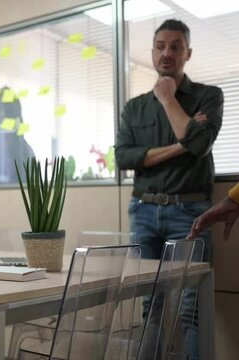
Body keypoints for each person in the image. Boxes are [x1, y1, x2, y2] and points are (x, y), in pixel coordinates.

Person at [115, 19, 223, 360]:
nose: (167, 53)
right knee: (151, 303)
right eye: (160, 45)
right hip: (144, 211)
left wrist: (166, 99)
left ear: (187, 53)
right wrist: (182, 146)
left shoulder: (209, 96)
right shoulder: (134, 107)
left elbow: (201, 144)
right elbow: (123, 158)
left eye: (175, 46)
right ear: (151, 51)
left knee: (193, 306)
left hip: (190, 212)